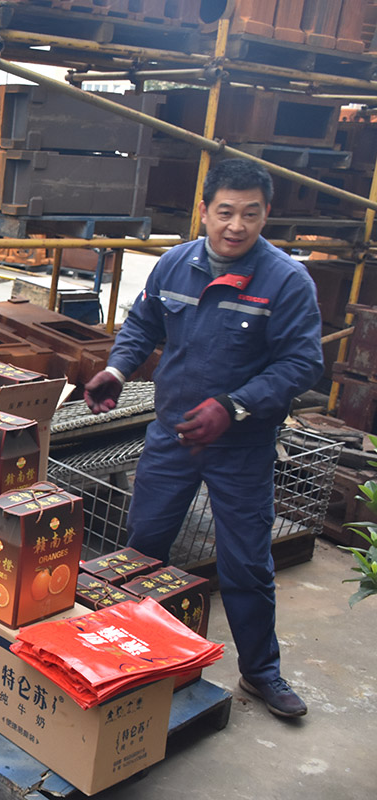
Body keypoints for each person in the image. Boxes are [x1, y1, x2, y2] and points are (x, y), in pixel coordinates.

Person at [84, 158, 323, 718]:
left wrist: (234, 406)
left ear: (266, 214)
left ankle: (260, 672)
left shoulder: (286, 281)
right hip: (172, 437)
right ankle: (130, 656)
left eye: (250, 214)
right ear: (204, 211)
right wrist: (117, 369)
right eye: (225, 212)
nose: (236, 226)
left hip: (241, 447)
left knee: (246, 564)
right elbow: (143, 325)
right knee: (142, 551)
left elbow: (302, 363)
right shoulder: (175, 264)